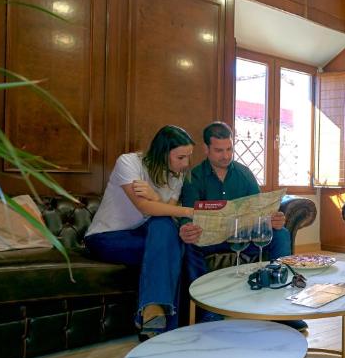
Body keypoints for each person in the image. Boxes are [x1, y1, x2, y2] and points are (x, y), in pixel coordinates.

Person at [179, 121, 305, 331]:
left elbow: (260, 211)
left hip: (243, 239)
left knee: (281, 234)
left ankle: (282, 309)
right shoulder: (194, 177)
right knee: (188, 245)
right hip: (209, 242)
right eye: (219, 150)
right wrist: (186, 229)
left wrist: (273, 220)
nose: (226, 156)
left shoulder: (244, 174)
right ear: (206, 149)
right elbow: (187, 215)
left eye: (229, 149)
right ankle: (207, 312)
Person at [84, 125, 201, 339]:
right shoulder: (128, 162)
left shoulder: (177, 176)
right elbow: (144, 207)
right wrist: (190, 211)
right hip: (107, 238)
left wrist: (155, 198)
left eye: (188, 157)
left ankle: (152, 318)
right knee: (172, 245)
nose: (185, 164)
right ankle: (166, 326)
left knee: (164, 227)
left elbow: (165, 213)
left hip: (145, 235)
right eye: (180, 157)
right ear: (162, 152)